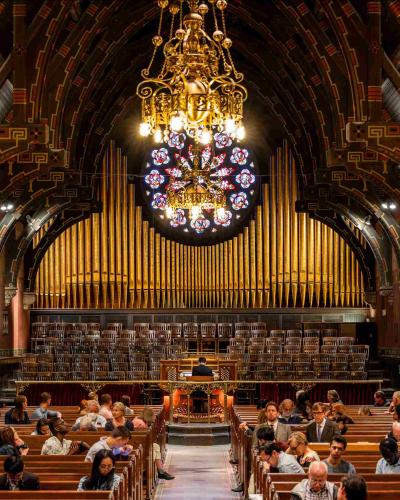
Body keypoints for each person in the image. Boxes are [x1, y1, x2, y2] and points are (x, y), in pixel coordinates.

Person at [130, 407, 174, 480]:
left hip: (138, 446)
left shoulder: (137, 419)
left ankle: (160, 471)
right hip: (137, 448)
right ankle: (160, 471)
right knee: (154, 449)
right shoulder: (141, 424)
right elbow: (141, 440)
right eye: (152, 416)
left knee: (155, 446)